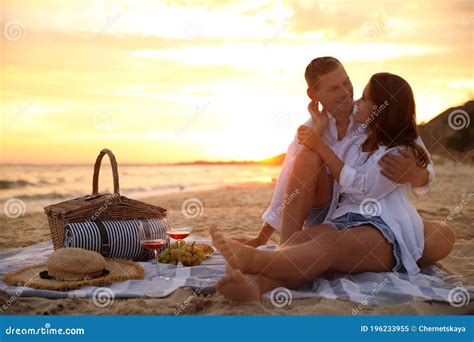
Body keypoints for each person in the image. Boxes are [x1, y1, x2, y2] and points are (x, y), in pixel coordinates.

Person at [211, 72, 456, 301]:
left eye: (362, 95)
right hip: (341, 219)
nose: (353, 98)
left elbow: (365, 187)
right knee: (302, 240)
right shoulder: (350, 139)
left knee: (330, 247)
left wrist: (417, 173)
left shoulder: (397, 150)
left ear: (382, 111)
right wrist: (262, 234)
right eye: (334, 88)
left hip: (382, 228)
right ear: (315, 95)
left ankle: (254, 260)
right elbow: (289, 177)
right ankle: (258, 284)